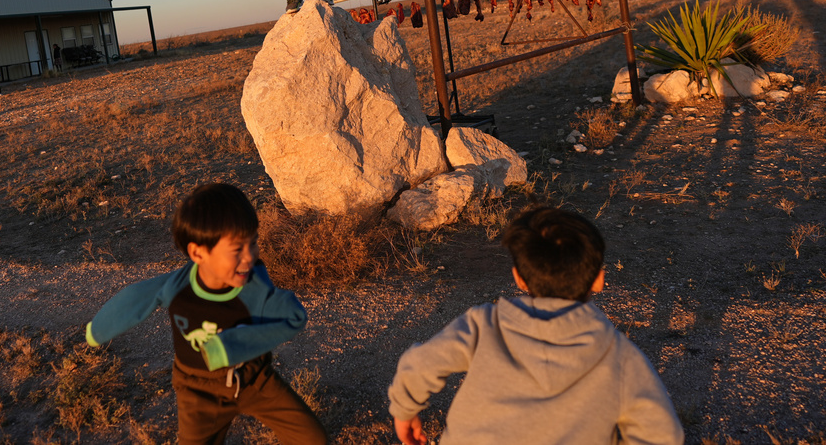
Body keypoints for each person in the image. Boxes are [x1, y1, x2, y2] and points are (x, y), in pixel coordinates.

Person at [388, 206, 684, 445]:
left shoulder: (483, 325)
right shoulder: (620, 357)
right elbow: (662, 435)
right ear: (599, 279)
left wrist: (404, 411)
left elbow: (421, 364)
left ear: (518, 278)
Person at [86, 183, 327, 445]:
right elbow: (137, 297)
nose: (250, 256)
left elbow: (294, 316)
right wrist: (97, 331)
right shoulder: (177, 286)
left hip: (254, 379)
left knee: (310, 439)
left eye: (253, 242)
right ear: (198, 252)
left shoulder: (255, 289)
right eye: (237, 249)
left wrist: (230, 346)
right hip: (197, 388)